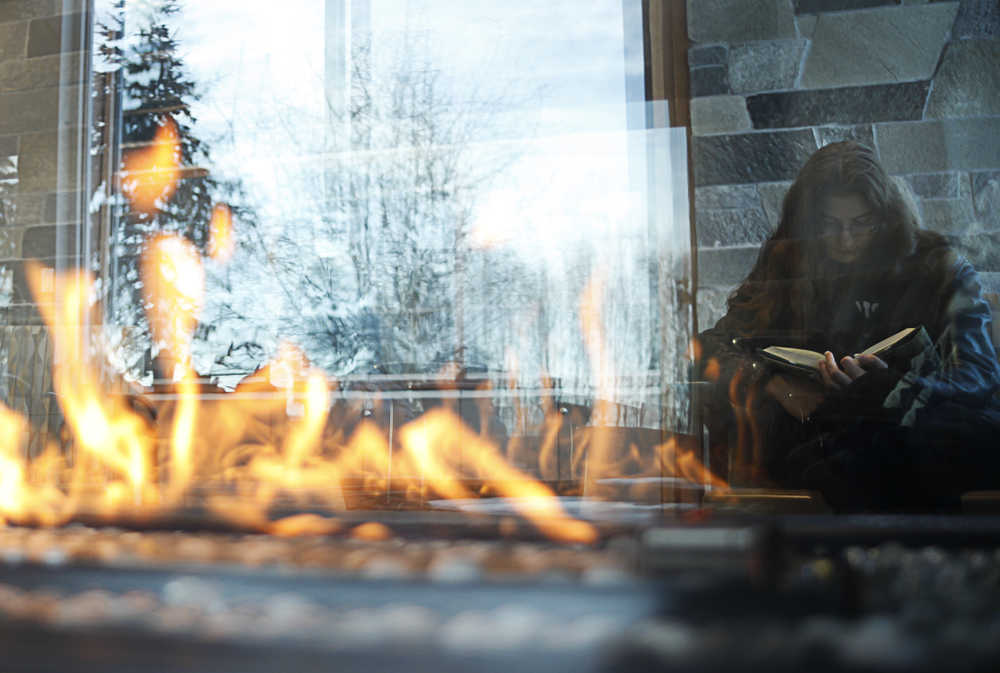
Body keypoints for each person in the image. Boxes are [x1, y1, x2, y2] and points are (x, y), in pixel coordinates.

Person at [697, 141, 1000, 511]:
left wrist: (893, 388)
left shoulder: (938, 267)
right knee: (821, 457)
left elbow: (979, 376)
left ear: (884, 217)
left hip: (918, 432)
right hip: (826, 434)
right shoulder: (787, 264)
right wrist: (772, 382)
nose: (845, 240)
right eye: (829, 225)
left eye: (861, 224)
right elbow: (709, 345)